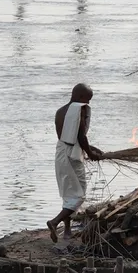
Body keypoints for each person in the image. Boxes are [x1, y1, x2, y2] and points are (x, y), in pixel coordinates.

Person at [47, 83, 102, 243]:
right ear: (79, 97)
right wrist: (90, 153)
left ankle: (67, 231)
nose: (88, 103)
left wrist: (90, 148)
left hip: (61, 153)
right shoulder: (80, 108)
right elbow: (80, 136)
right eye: (87, 99)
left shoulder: (60, 111)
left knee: (68, 192)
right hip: (73, 156)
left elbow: (66, 137)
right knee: (79, 195)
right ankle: (55, 222)